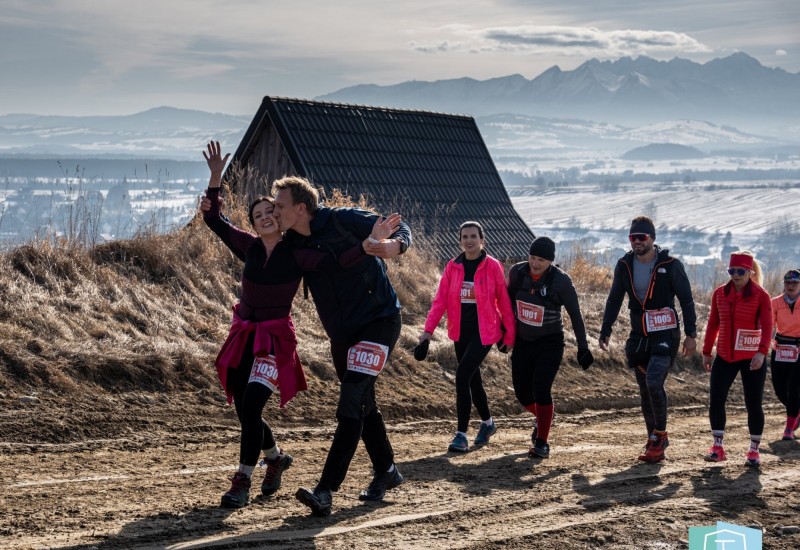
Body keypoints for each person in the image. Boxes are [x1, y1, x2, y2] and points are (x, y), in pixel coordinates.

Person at [271, 176, 411, 517]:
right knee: (363, 403)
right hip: (342, 334)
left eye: (279, 206)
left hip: (379, 321)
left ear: (300, 209)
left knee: (351, 400)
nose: (274, 211)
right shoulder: (291, 244)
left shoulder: (341, 219)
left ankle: (325, 490)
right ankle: (387, 471)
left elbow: (397, 226)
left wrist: (395, 246)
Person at [200, 141, 304, 508]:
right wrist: (216, 177)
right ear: (254, 222)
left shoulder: (297, 252)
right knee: (244, 408)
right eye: (258, 213)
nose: (265, 216)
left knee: (254, 403)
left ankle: (242, 479)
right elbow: (214, 219)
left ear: (279, 217)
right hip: (244, 334)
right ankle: (275, 458)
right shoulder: (249, 247)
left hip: (274, 339)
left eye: (270, 211)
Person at [599, 216, 698, 463]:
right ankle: (653, 441)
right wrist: (605, 329)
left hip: (666, 333)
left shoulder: (670, 265)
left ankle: (661, 435)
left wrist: (691, 334)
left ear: (652, 239)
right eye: (633, 238)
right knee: (645, 390)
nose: (636, 242)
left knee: (654, 381)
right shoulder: (624, 265)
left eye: (641, 237)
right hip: (639, 335)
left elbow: (686, 300)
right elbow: (614, 299)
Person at [418, 222, 516, 453]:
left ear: (482, 239)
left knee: (462, 376)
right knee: (473, 380)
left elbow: (503, 301)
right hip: (460, 331)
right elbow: (440, 300)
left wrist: (510, 335)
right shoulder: (453, 267)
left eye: (473, 236)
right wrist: (427, 332)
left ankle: (461, 434)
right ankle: (488, 424)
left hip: (485, 332)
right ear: (460, 240)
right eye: (465, 236)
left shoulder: (492, 266)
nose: (469, 240)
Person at [508, 236, 593, 459]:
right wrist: (504, 334)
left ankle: (542, 442)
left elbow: (576, 315)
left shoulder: (561, 281)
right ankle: (544, 417)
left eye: (541, 260)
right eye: (532, 257)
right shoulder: (517, 273)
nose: (535, 264)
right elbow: (506, 306)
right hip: (523, 341)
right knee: (522, 394)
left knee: (541, 389)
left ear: (551, 262)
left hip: (550, 342)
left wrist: (583, 347)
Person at [702, 251, 773, 467]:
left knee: (753, 403)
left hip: (752, 358)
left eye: (740, 271)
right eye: (731, 271)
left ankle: (753, 451)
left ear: (749, 272)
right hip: (724, 355)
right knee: (716, 399)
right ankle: (717, 447)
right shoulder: (719, 294)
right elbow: (713, 323)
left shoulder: (761, 296)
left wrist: (762, 352)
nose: (735, 275)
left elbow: (769, 327)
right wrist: (706, 351)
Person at [771, 269, 800, 440]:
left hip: (799, 348)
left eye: (795, 283)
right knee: (779, 388)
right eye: (788, 283)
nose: (791, 286)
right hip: (781, 348)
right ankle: (796, 411)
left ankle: (789, 428)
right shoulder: (775, 302)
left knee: (794, 386)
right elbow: (768, 325)